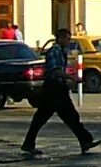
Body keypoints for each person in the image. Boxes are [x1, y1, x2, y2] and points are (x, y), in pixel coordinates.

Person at [22, 27, 97, 157]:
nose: (69, 42)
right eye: (67, 39)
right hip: (53, 89)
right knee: (60, 117)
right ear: (60, 39)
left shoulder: (61, 51)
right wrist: (70, 77)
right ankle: (85, 140)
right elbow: (54, 71)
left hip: (57, 88)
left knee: (64, 116)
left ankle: (85, 140)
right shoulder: (54, 52)